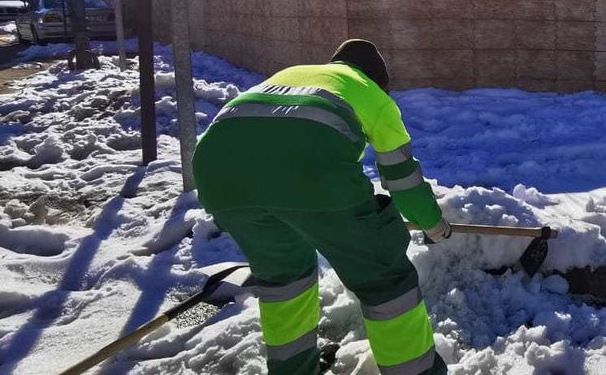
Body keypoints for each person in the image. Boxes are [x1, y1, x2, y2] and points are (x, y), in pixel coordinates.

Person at [193, 39, 450, 375]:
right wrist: (433, 225)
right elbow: (403, 182)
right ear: (380, 81)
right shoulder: (373, 96)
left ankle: (292, 370)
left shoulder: (294, 74)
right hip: (310, 176)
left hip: (217, 175)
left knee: (286, 280)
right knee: (384, 280)